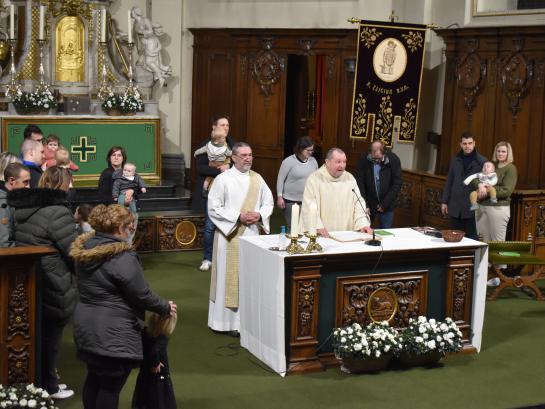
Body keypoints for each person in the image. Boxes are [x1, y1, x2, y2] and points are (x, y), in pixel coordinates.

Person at [70, 204, 176, 409]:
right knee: (110, 387)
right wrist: (164, 307)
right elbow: (141, 293)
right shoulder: (122, 255)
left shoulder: (84, 248)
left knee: (94, 379)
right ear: (119, 228)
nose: (131, 232)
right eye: (130, 227)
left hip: (86, 325)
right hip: (114, 332)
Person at [7, 166, 77, 399]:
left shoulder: (23, 206)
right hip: (54, 282)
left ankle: (44, 380)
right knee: (51, 338)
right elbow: (74, 252)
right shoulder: (57, 211)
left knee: (38, 335)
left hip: (30, 280)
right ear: (61, 185)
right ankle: (50, 385)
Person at [207, 142, 273, 335]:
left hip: (251, 234)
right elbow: (213, 207)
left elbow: (268, 202)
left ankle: (245, 322)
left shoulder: (258, 179)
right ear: (233, 157)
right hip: (230, 235)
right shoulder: (223, 179)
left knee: (247, 277)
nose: (248, 158)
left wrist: (260, 215)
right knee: (228, 278)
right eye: (243, 155)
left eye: (250, 155)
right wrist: (238, 216)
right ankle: (225, 322)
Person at [191, 115, 234, 272]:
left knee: (228, 224)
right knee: (210, 226)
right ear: (214, 127)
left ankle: (226, 257)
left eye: (227, 125)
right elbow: (201, 168)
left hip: (229, 191)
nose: (226, 127)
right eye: (222, 125)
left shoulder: (231, 144)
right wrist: (220, 169)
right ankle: (208, 259)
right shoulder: (206, 144)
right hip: (210, 190)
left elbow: (237, 162)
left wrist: (230, 168)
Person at [301, 147, 372, 238]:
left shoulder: (350, 179)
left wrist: (363, 224)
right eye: (338, 162)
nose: (342, 166)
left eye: (344, 162)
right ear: (327, 162)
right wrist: (317, 226)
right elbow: (309, 205)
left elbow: (358, 203)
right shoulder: (314, 179)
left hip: (345, 235)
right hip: (322, 235)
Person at [441, 132, 487, 241]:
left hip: (472, 207)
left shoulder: (482, 161)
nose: (467, 146)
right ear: (461, 144)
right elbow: (449, 181)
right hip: (455, 206)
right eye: (465, 143)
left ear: (474, 143)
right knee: (455, 238)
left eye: (470, 143)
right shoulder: (455, 159)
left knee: (472, 239)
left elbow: (485, 183)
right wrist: (444, 201)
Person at [131, 311, 178, 409]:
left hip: (144, 369)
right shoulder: (162, 337)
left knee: (143, 394)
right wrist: (156, 363)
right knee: (160, 398)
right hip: (159, 374)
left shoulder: (144, 332)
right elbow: (155, 350)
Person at [476, 141, 518, 242]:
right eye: (498, 151)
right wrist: (480, 185)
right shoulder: (491, 165)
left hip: (498, 209)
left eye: (503, 151)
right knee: (481, 242)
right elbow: (477, 177)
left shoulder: (511, 168)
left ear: (508, 154)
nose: (500, 153)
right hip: (482, 207)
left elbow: (506, 191)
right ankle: (483, 259)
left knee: (497, 243)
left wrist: (488, 189)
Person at [356, 140, 403, 229]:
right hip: (369, 203)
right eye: (374, 159)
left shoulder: (393, 159)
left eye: (379, 159)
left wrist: (384, 204)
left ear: (385, 152)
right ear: (370, 152)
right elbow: (360, 183)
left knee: (384, 233)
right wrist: (364, 204)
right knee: (365, 231)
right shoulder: (364, 159)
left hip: (387, 204)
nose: (377, 161)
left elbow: (397, 183)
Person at [276, 136, 318, 227]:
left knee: (306, 226)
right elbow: (280, 179)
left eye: (312, 150)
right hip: (290, 200)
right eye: (308, 150)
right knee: (293, 227)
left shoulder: (313, 161)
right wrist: (279, 196)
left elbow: (316, 179)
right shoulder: (288, 161)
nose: (311, 153)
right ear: (300, 149)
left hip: (307, 199)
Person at [193, 127, 232, 195]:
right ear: (217, 140)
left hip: (211, 164)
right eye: (223, 138)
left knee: (209, 178)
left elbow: (201, 150)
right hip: (220, 165)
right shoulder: (224, 148)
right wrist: (235, 153)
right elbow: (230, 153)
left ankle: (205, 188)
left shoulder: (208, 146)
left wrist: (195, 153)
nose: (225, 139)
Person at [0, 162, 30, 247]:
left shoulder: (12, 199)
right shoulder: (3, 204)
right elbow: (4, 244)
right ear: (12, 180)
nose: (28, 186)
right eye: (25, 182)